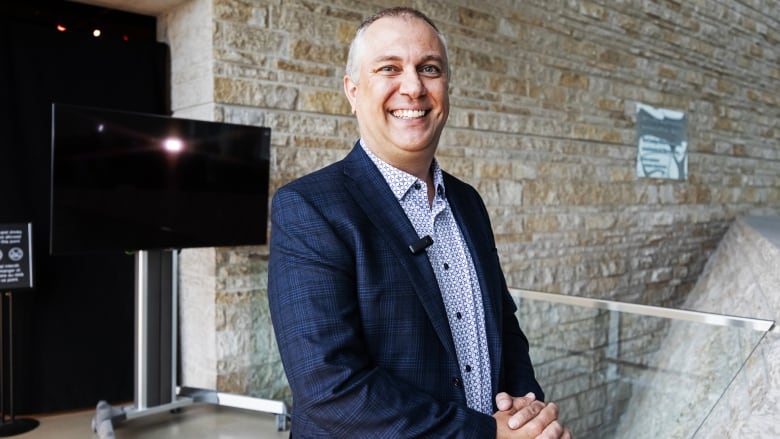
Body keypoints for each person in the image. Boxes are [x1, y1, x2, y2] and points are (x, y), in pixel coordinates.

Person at [268, 6, 571, 438]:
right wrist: (489, 434)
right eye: (389, 68)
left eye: (429, 69)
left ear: (446, 87)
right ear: (352, 91)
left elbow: (503, 326)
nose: (413, 87)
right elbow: (330, 389)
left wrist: (527, 413)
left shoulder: (467, 202)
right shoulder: (309, 207)